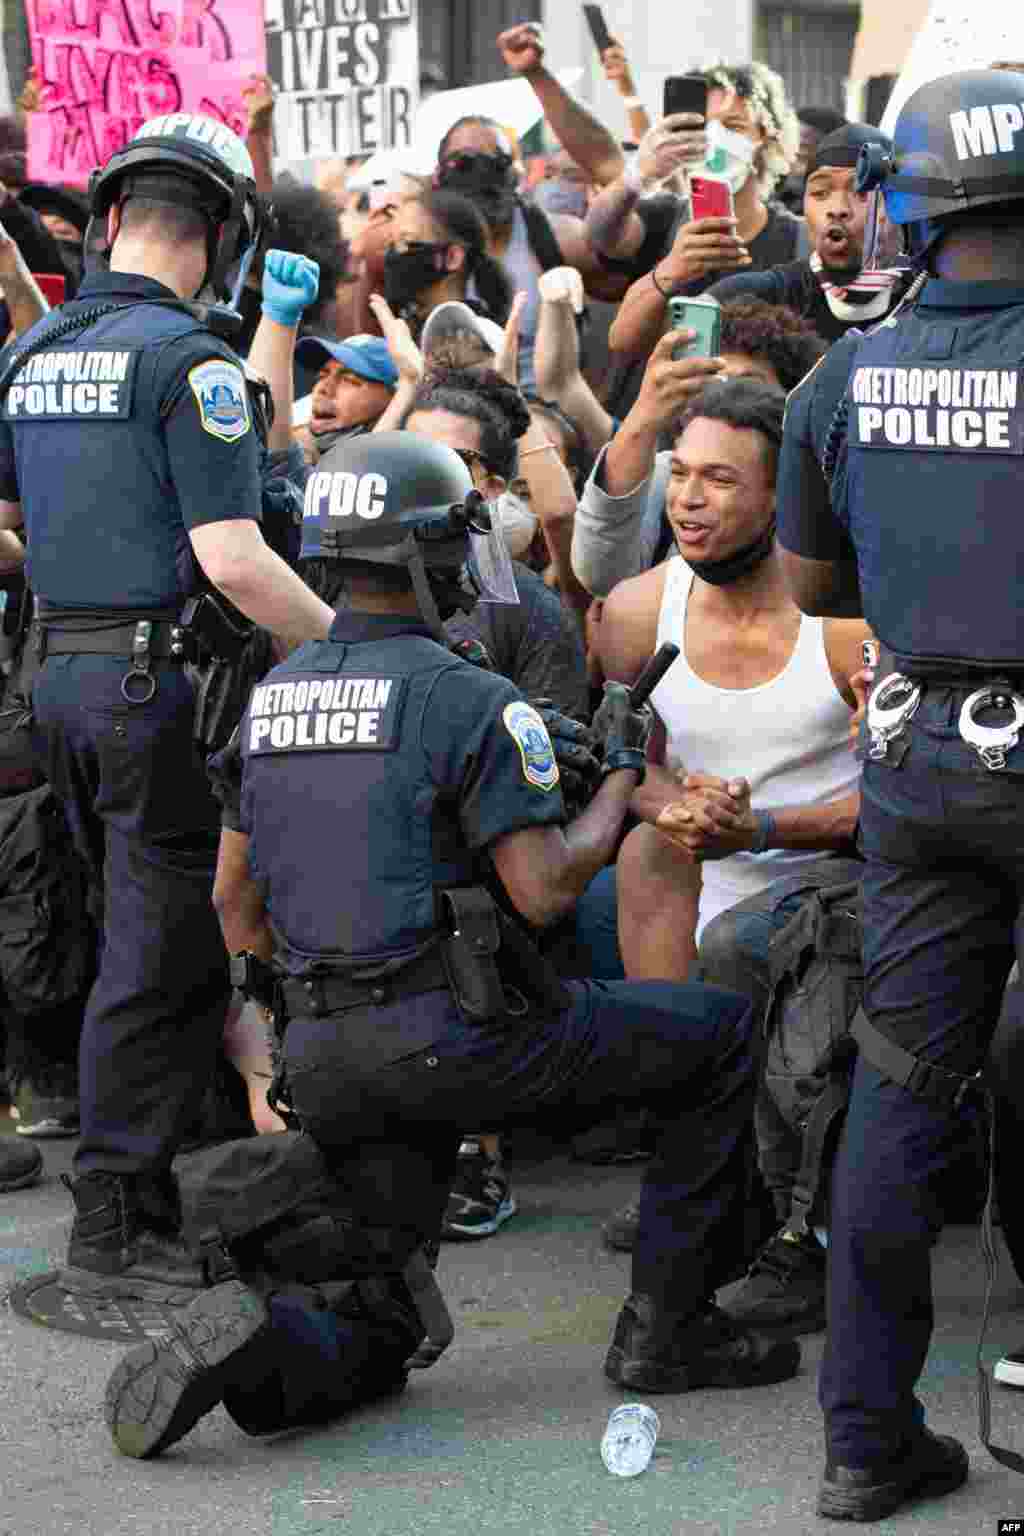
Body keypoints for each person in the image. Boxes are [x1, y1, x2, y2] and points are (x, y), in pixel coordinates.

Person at [103, 429, 805, 1460]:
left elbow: (232, 904)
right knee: (718, 1031)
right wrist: (614, 778)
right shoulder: (470, 696)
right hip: (462, 1043)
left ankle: (264, 1347)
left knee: (383, 1323)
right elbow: (544, 891)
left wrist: (271, 1055)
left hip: (327, 1059)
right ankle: (669, 1327)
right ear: (433, 556)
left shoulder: (270, 703)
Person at [0, 114, 335, 1293]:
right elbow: (237, 558)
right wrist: (351, 651)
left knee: (129, 942)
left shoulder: (33, 357)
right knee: (157, 950)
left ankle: (157, 1177)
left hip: (55, 681)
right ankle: (117, 1223)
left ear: (105, 224)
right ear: (223, 241)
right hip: (157, 693)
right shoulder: (192, 364)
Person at [774, 66, 1024, 1521]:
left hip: (921, 759)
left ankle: (866, 1440)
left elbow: (822, 587)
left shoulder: (840, 381)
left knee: (902, 1089)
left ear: (909, 213)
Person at [571, 302, 824, 599]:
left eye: (744, 386)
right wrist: (645, 412)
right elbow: (600, 572)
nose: (689, 498)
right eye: (711, 382)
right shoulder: (666, 477)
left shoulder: (820, 501)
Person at [592, 62, 803, 364]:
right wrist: (640, 173)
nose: (715, 138)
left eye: (733, 126)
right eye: (703, 125)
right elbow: (599, 234)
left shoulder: (800, 241)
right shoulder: (663, 218)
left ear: (766, 137)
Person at [706, 124, 909, 344]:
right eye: (820, 193)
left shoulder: (927, 295)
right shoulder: (760, 298)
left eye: (861, 193)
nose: (837, 209)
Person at [382, 189, 513, 341]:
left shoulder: (472, 341)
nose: (393, 252)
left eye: (407, 241)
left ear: (452, 258)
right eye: (392, 242)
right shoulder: (410, 325)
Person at [293, 333, 399, 458]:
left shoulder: (412, 459)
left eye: (348, 380)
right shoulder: (293, 450)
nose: (323, 389)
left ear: (393, 397)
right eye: (322, 376)